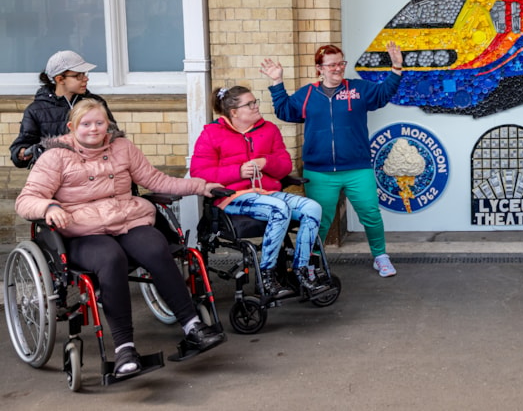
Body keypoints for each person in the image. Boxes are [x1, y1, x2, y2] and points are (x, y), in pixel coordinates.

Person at [14, 99, 226, 378]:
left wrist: (202, 187)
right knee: (110, 258)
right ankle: (125, 348)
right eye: (86, 124)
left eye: (99, 123)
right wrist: (49, 207)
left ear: (108, 124)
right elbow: (26, 200)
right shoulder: (56, 156)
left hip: (127, 219)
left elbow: (156, 180)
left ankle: (192, 327)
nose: (94, 129)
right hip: (83, 230)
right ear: (72, 126)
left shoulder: (122, 147)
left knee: (155, 247)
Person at [261, 42, 403, 278]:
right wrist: (277, 82)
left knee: (370, 213)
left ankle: (380, 256)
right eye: (332, 65)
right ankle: (312, 262)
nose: (337, 68)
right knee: (320, 220)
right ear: (319, 68)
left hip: (357, 168)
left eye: (341, 63)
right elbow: (285, 111)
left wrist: (396, 67)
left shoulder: (357, 89)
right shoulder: (307, 94)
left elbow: (382, 94)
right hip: (320, 172)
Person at [190, 86, 325, 298]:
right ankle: (267, 276)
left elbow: (284, 166)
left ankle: (301, 269)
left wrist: (266, 162)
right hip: (233, 197)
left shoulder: (269, 129)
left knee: (312, 207)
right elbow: (199, 172)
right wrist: (237, 171)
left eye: (255, 102)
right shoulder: (212, 133)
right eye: (250, 104)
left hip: (267, 193)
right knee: (279, 208)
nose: (256, 106)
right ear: (234, 112)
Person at [10, 50, 116, 168]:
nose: (85, 79)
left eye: (85, 74)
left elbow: (115, 137)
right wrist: (21, 153)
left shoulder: (96, 103)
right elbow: (21, 148)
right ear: (60, 79)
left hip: (96, 173)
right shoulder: (35, 110)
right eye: (78, 76)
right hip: (57, 177)